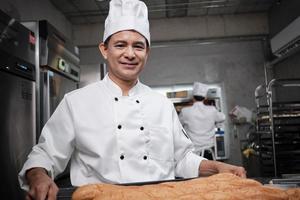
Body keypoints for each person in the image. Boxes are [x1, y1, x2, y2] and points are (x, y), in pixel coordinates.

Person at [18, 0, 246, 199]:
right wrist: (38, 175)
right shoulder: (76, 102)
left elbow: (181, 159)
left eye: (138, 46)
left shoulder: (162, 105)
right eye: (120, 45)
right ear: (104, 50)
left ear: (147, 53)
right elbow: (46, 154)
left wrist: (216, 167)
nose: (130, 54)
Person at [179, 82, 226, 159]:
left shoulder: (185, 111)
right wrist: (217, 126)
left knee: (194, 171)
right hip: (208, 153)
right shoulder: (212, 110)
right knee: (210, 171)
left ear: (193, 97)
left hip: (193, 154)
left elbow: (178, 126)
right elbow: (222, 118)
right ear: (205, 98)